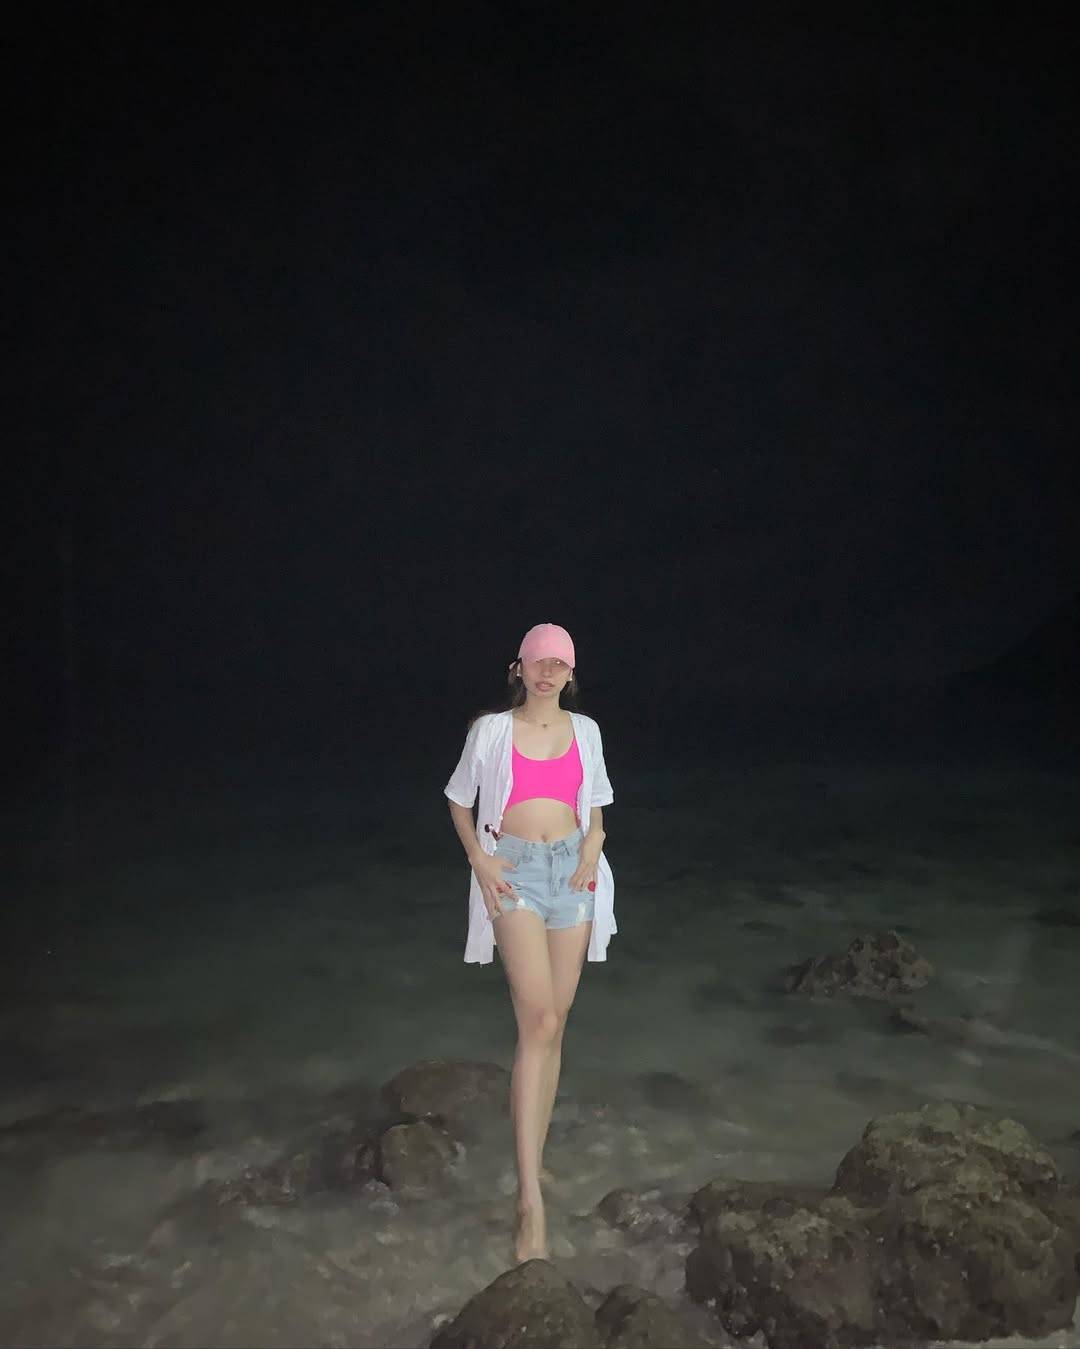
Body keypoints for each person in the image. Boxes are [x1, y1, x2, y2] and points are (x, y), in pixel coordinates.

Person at [444, 622, 616, 1264]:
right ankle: (529, 1202)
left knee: (555, 1025)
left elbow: (595, 803)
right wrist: (480, 860)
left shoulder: (587, 731)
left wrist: (594, 844)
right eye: (537, 661)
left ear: (571, 674)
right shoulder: (491, 731)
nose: (547, 672)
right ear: (517, 667)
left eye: (558, 663)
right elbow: (459, 801)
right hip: (511, 872)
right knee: (538, 1019)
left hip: (574, 873)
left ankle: (534, 1160)